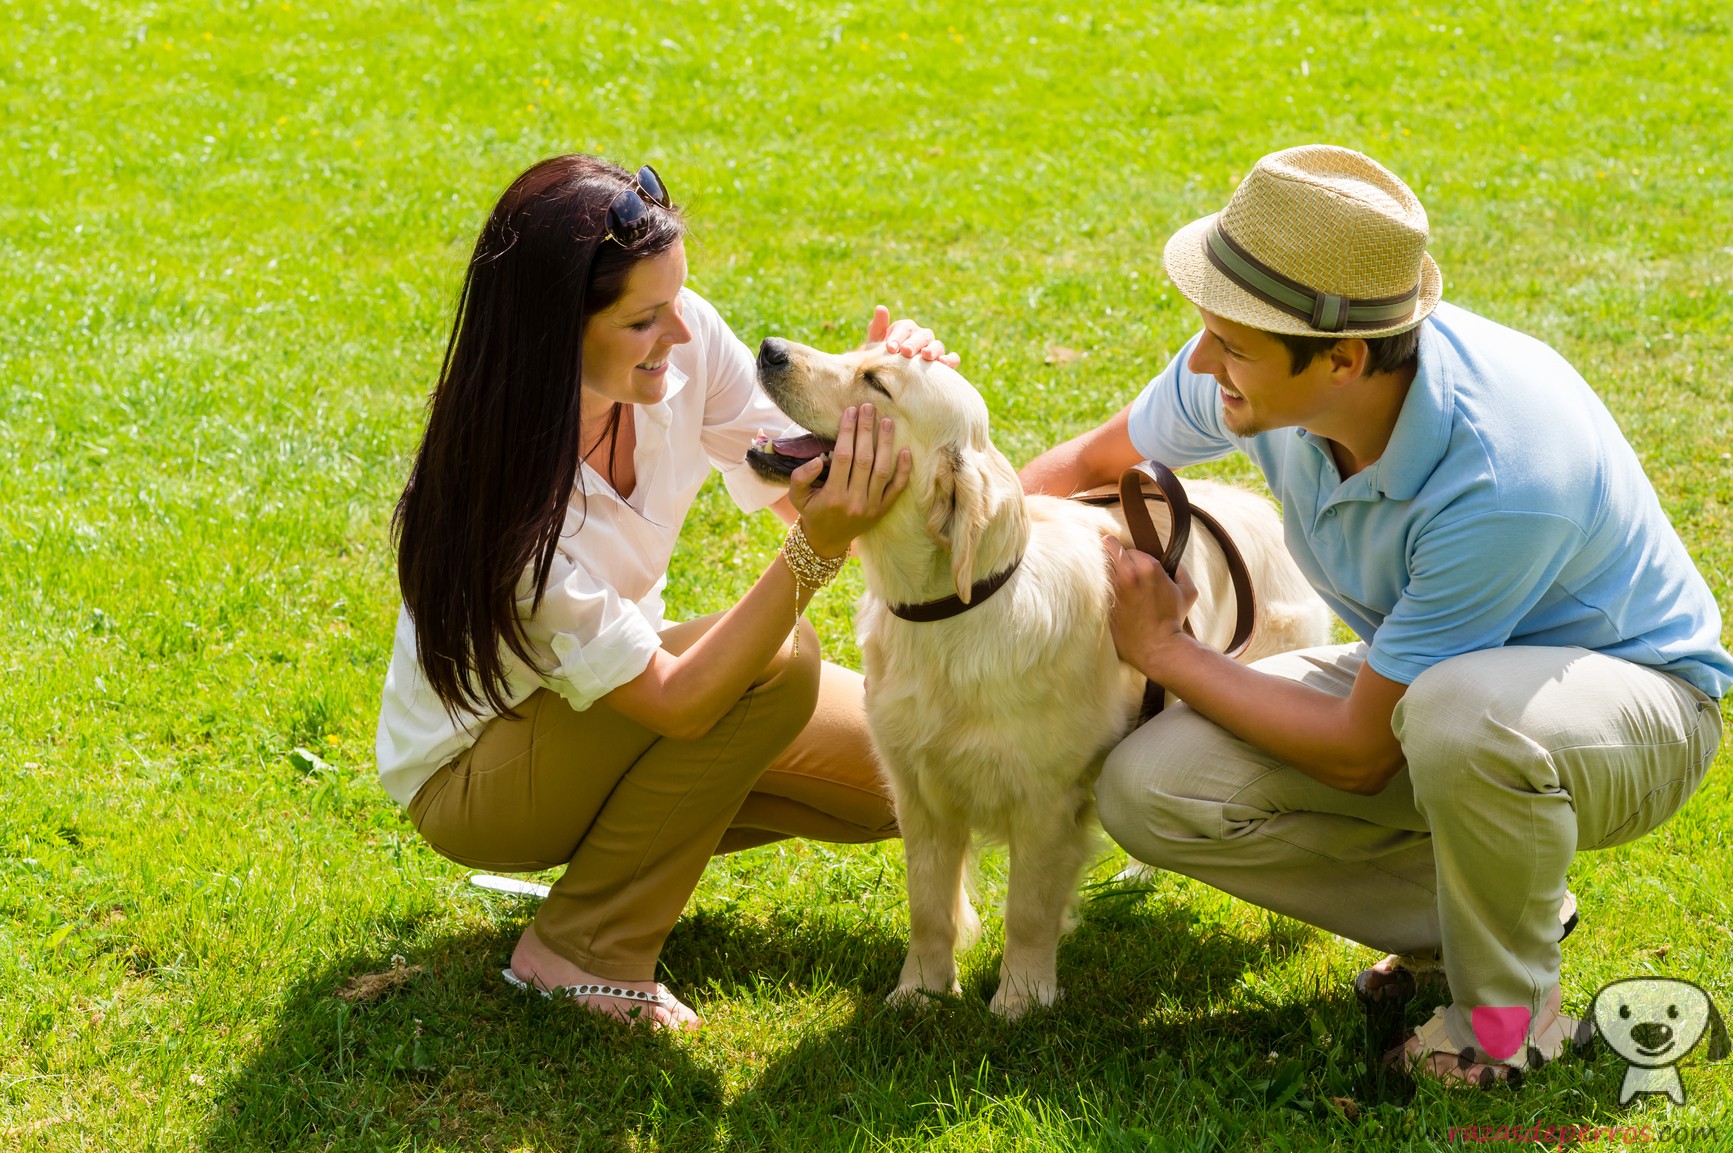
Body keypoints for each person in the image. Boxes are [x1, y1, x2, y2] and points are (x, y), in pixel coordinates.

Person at [1020, 145, 1730, 1086]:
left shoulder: (1503, 470)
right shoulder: (1261, 363)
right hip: (1432, 681)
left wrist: (1164, 650)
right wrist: (971, 591)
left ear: (1344, 360)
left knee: (1456, 713)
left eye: (1229, 346)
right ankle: (1491, 910)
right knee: (1147, 786)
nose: (1201, 362)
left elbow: (1359, 754)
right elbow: (1079, 466)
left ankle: (1505, 1025)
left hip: (1637, 714)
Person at [376, 154, 953, 1030]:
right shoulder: (501, 504)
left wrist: (888, 395)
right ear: (552, 331)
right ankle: (579, 945)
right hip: (478, 774)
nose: (680, 335)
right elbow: (679, 703)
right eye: (644, 319)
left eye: (677, 301)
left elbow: (796, 471)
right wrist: (813, 554)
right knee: (775, 662)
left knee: (903, 775)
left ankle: (624, 861)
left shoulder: (674, 345)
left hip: (609, 706)